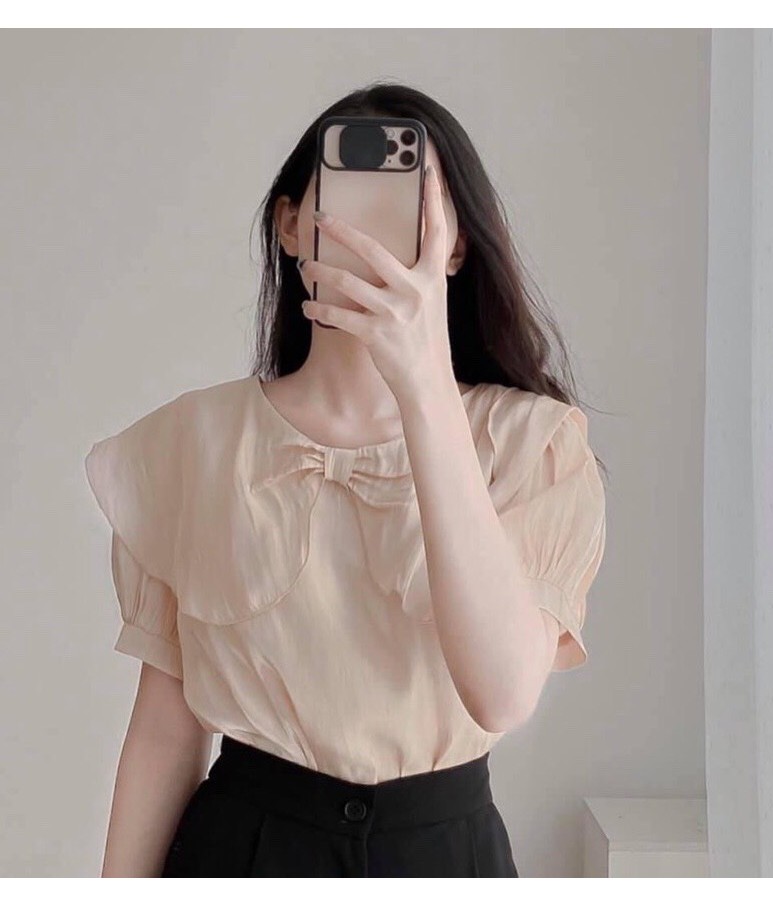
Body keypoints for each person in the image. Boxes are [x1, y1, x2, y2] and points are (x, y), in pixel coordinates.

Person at [84, 81, 608, 878]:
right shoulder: (193, 442)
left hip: (445, 856)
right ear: (291, 225)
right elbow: (164, 730)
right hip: (239, 851)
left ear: (455, 248)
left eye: (409, 210)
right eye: (344, 199)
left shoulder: (532, 443)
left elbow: (502, 695)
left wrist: (424, 387)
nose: (370, 232)